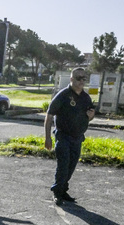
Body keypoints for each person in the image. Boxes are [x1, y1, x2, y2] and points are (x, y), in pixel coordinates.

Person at [45, 67, 95, 206]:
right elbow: (49, 116)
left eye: (84, 78)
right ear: (71, 79)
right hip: (63, 136)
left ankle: (63, 189)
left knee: (71, 165)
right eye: (78, 78)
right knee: (63, 165)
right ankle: (57, 192)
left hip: (78, 137)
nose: (81, 81)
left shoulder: (86, 97)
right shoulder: (63, 95)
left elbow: (89, 115)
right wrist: (47, 137)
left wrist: (91, 116)